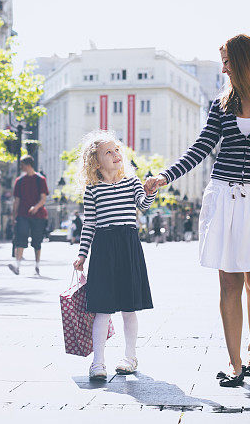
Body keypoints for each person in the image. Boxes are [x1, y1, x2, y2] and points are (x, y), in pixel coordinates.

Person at [145, 34, 250, 387]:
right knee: (228, 279)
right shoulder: (222, 104)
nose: (224, 69)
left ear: (245, 61)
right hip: (224, 196)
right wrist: (164, 176)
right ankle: (234, 364)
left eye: (228, 62)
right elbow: (202, 146)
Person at [72, 131, 157, 381]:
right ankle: (98, 362)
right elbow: (89, 224)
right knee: (102, 309)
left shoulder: (131, 182)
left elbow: (142, 204)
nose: (116, 154)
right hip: (103, 248)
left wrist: (149, 190)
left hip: (128, 245)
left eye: (117, 150)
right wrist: (82, 254)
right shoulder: (92, 190)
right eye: (108, 152)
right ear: (96, 162)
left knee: (129, 308)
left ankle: (130, 357)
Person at [9, 155, 49, 276]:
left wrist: (35, 207)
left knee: (37, 241)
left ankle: (37, 266)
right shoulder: (19, 181)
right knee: (20, 238)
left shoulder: (40, 179)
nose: (21, 167)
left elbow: (43, 199)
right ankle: (17, 266)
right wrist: (13, 215)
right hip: (22, 215)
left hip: (38, 216)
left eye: (22, 165)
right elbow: (17, 200)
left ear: (28, 165)